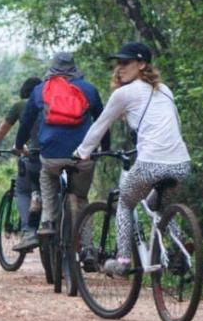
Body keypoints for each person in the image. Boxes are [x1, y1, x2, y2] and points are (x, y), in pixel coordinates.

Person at [74, 42, 191, 276]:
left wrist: (81, 153)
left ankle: (123, 261)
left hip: (150, 163)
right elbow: (175, 125)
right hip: (181, 164)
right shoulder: (165, 90)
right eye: (118, 63)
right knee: (157, 203)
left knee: (125, 203)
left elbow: (100, 125)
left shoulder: (124, 93)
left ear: (142, 64)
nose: (120, 68)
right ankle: (179, 245)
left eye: (126, 62)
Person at [15, 52, 104, 245]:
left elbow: (26, 123)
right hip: (83, 156)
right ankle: (87, 246)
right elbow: (102, 123)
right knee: (80, 197)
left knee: (47, 176)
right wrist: (105, 149)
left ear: (52, 68)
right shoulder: (89, 89)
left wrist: (18, 145)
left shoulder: (40, 90)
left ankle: (47, 221)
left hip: (51, 155)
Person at [0, 76, 43, 251]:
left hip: (35, 156)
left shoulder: (22, 105)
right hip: (64, 154)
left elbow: (2, 128)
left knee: (22, 190)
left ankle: (28, 231)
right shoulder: (52, 103)